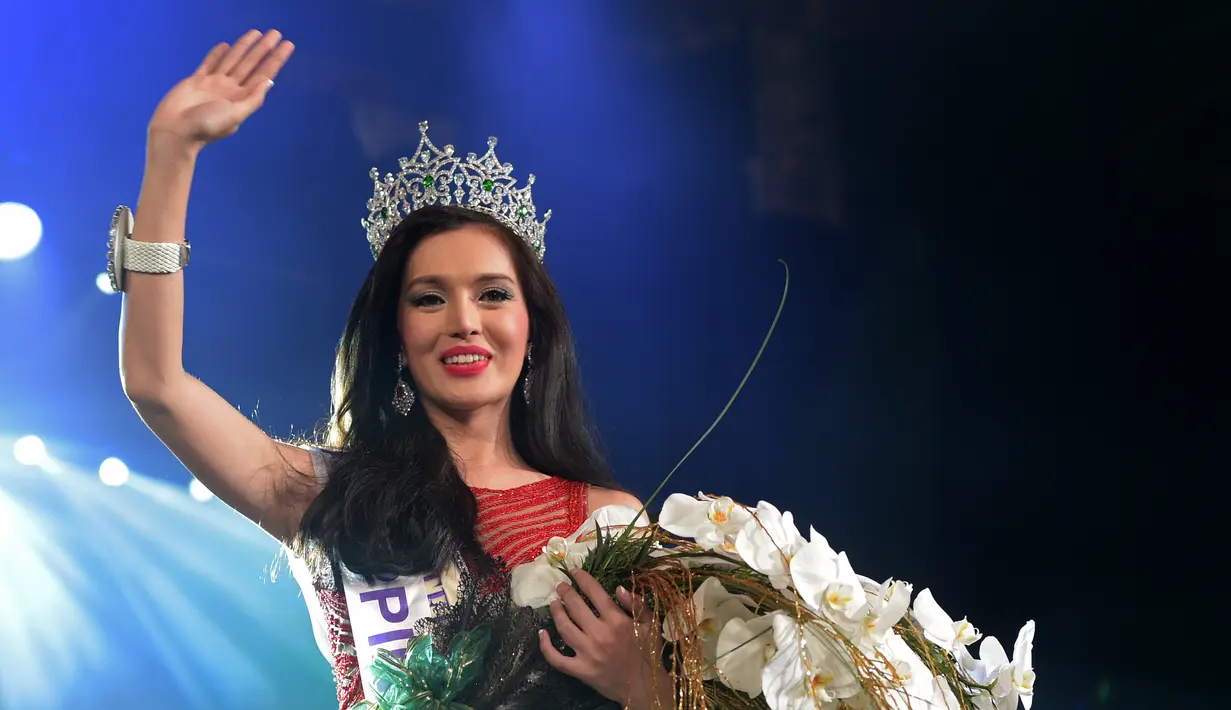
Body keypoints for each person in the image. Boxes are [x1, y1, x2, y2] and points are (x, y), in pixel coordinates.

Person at [117, 29, 672, 709]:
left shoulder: (607, 520)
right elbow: (157, 386)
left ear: (534, 334)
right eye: (429, 298)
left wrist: (645, 689)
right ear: (396, 340)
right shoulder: (327, 495)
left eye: (492, 294)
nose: (464, 320)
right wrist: (171, 153)